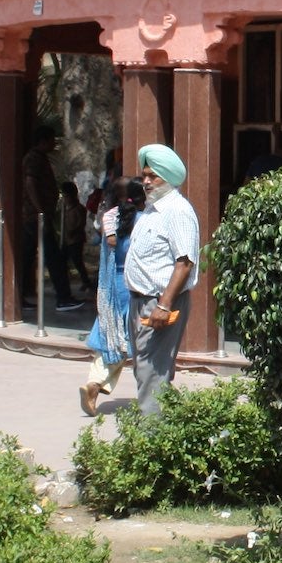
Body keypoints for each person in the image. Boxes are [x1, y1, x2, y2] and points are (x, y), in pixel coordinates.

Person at [126, 144, 200, 419]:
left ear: (168, 177)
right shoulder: (151, 209)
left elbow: (185, 262)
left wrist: (164, 304)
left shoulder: (177, 210)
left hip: (160, 303)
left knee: (151, 373)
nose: (146, 181)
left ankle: (150, 444)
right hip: (139, 301)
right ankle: (177, 427)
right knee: (146, 370)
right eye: (144, 175)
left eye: (153, 176)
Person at [78, 176, 144, 413]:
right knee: (134, 341)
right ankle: (95, 384)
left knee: (112, 337)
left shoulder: (108, 217)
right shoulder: (144, 220)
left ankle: (95, 384)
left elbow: (100, 242)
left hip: (111, 284)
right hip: (134, 284)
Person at [19, 123, 79, 311]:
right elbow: (30, 183)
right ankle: (63, 297)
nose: (54, 144)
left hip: (38, 215)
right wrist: (40, 211)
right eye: (52, 140)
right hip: (36, 216)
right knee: (52, 256)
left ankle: (20, 295)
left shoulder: (39, 158)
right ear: (43, 141)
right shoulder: (34, 159)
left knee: (30, 255)